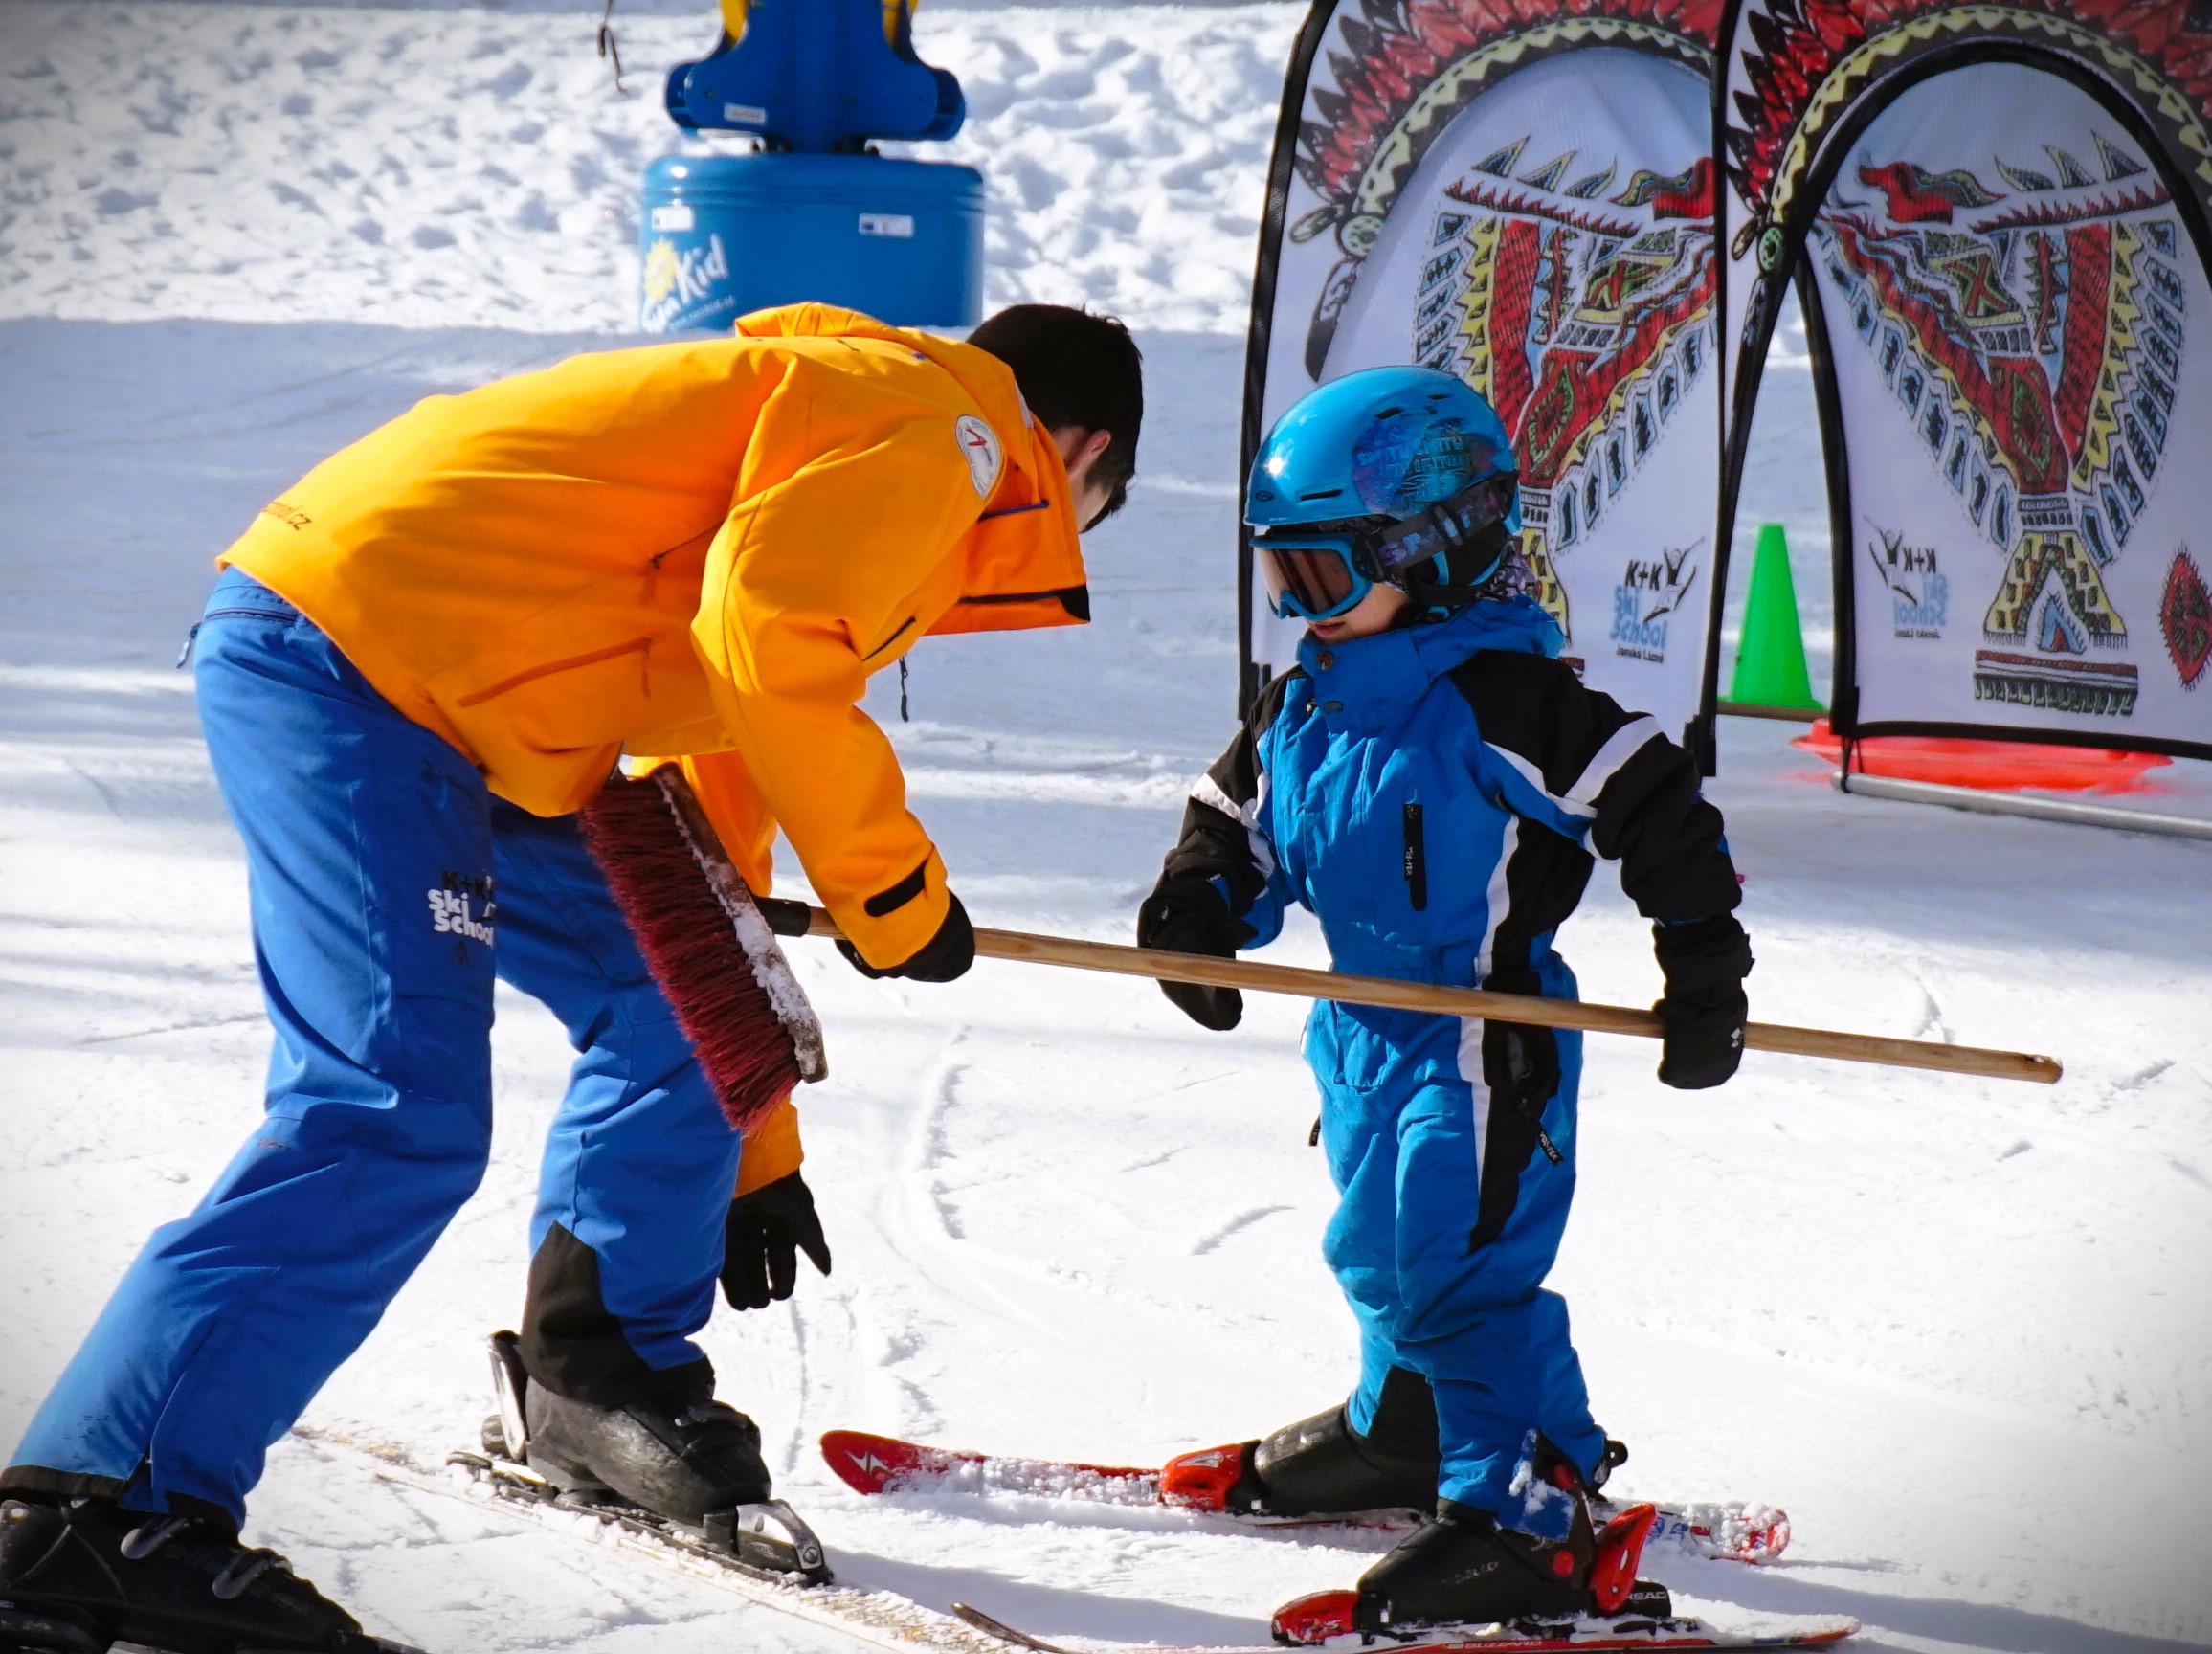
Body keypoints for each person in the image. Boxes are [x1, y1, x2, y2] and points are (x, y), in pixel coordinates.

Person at [0, 302, 1144, 1654]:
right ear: (1080, 448)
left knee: (675, 994)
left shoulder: (846, 407)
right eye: (1098, 504)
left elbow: (723, 794)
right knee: (389, 1108)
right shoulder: (944, 430)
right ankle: (104, 1503)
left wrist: (752, 1136)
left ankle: (595, 1373)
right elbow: (773, 635)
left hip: (468, 691)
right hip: (370, 670)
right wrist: (893, 893)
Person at [1136, 366, 1750, 1629]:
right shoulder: (1307, 700)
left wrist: (1701, 967)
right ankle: (1413, 1431)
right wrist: (1199, 910)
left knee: (1455, 1273)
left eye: (1321, 576)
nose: (1296, 607)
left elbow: (1655, 799)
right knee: (1378, 1253)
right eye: (1281, 576)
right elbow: (1235, 819)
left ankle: (1534, 1523)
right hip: (1358, 1034)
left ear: (1433, 551)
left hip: (1484, 1040)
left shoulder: (1502, 702)